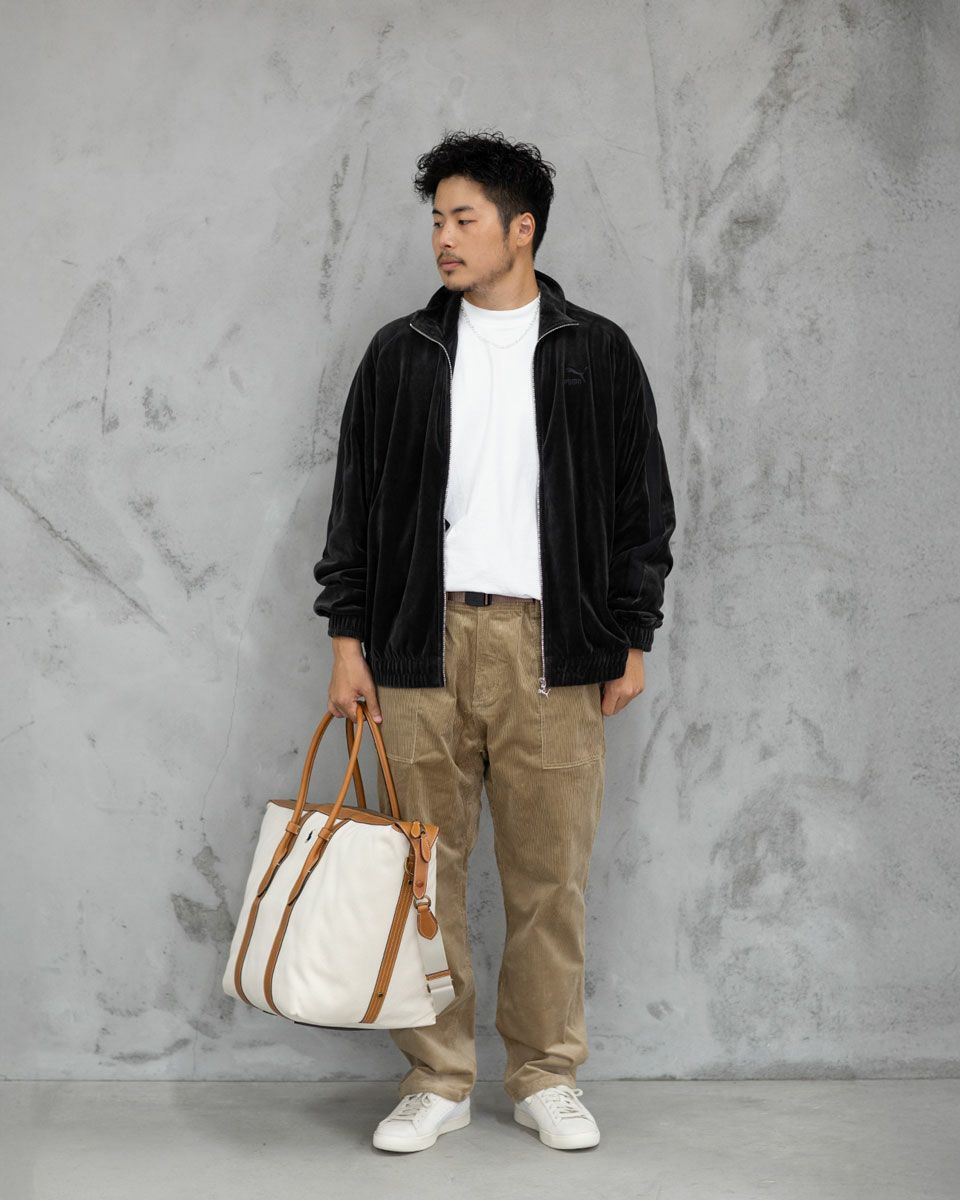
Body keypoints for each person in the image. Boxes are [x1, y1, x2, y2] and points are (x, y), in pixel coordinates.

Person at [312, 129, 676, 1153]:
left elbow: (641, 508)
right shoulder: (403, 353)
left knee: (549, 879)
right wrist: (348, 642)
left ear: (522, 229)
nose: (443, 236)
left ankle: (545, 1074)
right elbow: (354, 512)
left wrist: (632, 635)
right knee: (422, 875)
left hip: (554, 648)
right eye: (436, 219)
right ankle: (437, 1078)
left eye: (463, 218)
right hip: (417, 645)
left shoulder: (597, 353)